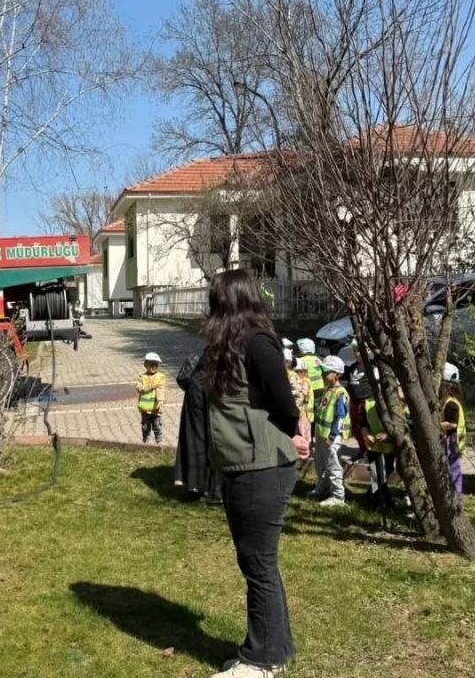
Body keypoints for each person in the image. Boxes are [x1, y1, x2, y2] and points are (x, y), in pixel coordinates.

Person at [203, 269, 308, 678]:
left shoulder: (258, 342)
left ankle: (262, 660)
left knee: (258, 562)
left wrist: (292, 432)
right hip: (243, 463)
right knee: (258, 561)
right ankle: (276, 648)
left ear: (226, 302)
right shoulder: (225, 344)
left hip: (263, 466)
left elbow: (284, 401)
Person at [174, 352, 221, 502]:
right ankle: (213, 489)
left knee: (196, 434)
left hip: (200, 381)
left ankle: (195, 484)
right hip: (216, 382)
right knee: (218, 434)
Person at [310, 355, 349, 507]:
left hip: (331, 437)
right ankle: (323, 488)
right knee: (320, 463)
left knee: (333, 465)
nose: (323, 375)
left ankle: (338, 496)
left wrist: (333, 435)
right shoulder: (328, 390)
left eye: (327, 372)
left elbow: (340, 416)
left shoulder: (340, 393)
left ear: (337, 374)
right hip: (321, 434)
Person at [439, 363, 467, 498]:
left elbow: (452, 424)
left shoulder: (450, 403)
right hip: (455, 443)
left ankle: (456, 498)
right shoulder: (454, 401)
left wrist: (435, 426)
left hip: (451, 443)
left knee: (453, 472)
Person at [136, 352, 167, 444]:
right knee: (145, 426)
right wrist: (150, 386)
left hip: (156, 407)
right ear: (145, 365)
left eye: (156, 365)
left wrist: (160, 401)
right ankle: (145, 441)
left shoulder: (160, 377)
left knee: (157, 425)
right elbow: (139, 388)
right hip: (145, 408)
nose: (154, 366)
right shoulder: (142, 377)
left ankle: (159, 442)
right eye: (151, 364)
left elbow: (161, 389)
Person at [295, 338, 324, 432]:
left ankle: (309, 430)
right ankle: (318, 429)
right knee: (318, 409)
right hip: (320, 388)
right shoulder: (317, 359)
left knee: (308, 410)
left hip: (308, 389)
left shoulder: (301, 360)